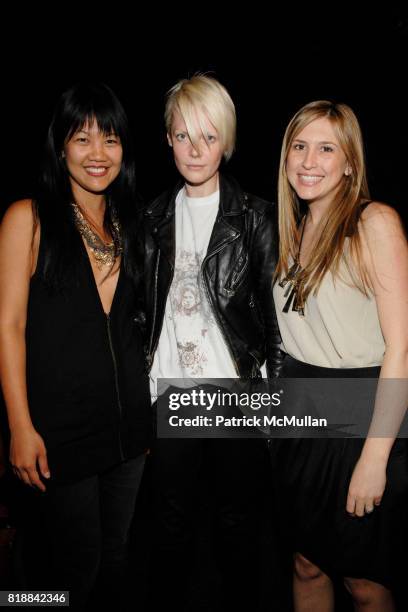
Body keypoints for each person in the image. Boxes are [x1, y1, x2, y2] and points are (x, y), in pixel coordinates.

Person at [0, 82, 150, 609]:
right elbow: (9, 327)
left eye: (110, 139)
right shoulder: (29, 218)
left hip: (129, 434)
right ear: (60, 145)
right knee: (65, 572)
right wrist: (20, 426)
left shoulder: (132, 225)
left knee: (115, 561)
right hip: (58, 435)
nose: (97, 154)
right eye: (82, 139)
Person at [143, 74, 282, 610]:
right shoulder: (150, 218)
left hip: (236, 397)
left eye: (208, 135)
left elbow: (272, 324)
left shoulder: (256, 217)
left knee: (238, 530)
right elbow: (143, 316)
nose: (195, 149)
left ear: (226, 139)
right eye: (183, 135)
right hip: (174, 395)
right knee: (171, 530)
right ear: (168, 140)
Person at [272, 100, 408, 611]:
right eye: (299, 147)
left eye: (326, 148)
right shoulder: (289, 231)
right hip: (301, 425)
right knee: (307, 564)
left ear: (350, 161)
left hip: (364, 424)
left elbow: (403, 347)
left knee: (365, 583)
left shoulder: (374, 223)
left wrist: (375, 457)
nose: (309, 160)